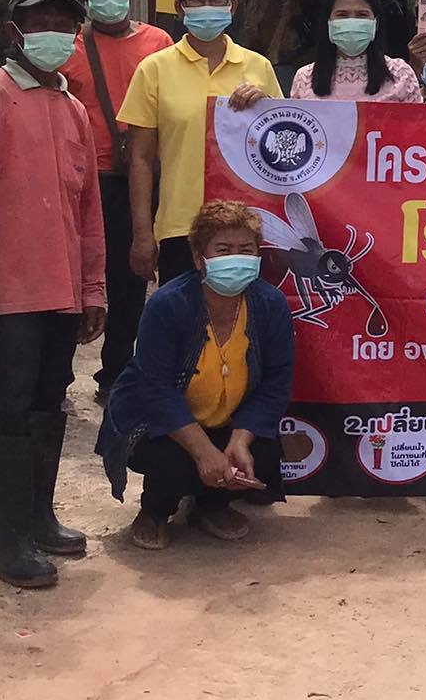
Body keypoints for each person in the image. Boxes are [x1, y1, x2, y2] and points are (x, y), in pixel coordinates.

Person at [0, 0, 106, 588]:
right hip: (11, 289)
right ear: (16, 33)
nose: (54, 35)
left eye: (65, 24)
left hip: (63, 287)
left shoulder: (73, 108)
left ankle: (38, 516)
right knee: (9, 403)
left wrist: (94, 287)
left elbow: (88, 207)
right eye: (41, 23)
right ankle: (3, 538)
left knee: (48, 397)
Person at [98, 200, 294, 549]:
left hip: (228, 422)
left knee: (263, 453)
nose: (236, 258)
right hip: (158, 424)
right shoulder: (168, 304)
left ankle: (211, 507)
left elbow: (275, 384)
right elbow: (155, 390)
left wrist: (240, 441)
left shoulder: (271, 305)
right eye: (223, 249)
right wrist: (203, 452)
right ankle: (155, 509)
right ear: (199, 258)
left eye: (246, 249)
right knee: (175, 462)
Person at [119, 0, 281, 285]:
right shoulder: (154, 69)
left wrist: (265, 106)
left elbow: (279, 148)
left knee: (245, 315)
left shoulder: (259, 68)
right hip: (181, 227)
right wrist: (142, 233)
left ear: (232, 6)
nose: (207, 7)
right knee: (183, 314)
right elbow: (141, 158)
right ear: (179, 8)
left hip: (246, 227)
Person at [60, 0, 172, 398]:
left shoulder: (159, 42)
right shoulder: (67, 46)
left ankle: (116, 376)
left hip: (140, 179)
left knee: (130, 282)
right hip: (84, 181)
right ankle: (56, 378)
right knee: (73, 281)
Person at [287, 0, 421, 103]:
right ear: (328, 22)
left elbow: (419, 120)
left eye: (362, 14)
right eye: (342, 15)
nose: (351, 21)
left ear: (376, 23)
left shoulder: (401, 75)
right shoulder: (304, 78)